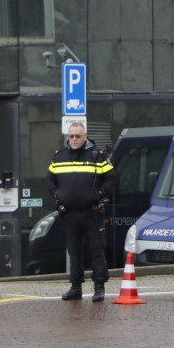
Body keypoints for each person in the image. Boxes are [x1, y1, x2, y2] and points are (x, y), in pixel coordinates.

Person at [47, 122, 116, 301]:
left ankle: (99, 287)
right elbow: (50, 181)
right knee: (74, 251)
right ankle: (75, 287)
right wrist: (58, 196)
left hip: (92, 213)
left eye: (78, 136)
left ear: (85, 136)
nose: (75, 139)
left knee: (96, 249)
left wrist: (98, 194)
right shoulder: (59, 157)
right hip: (69, 213)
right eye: (72, 136)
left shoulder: (97, 156)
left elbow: (110, 180)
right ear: (68, 137)